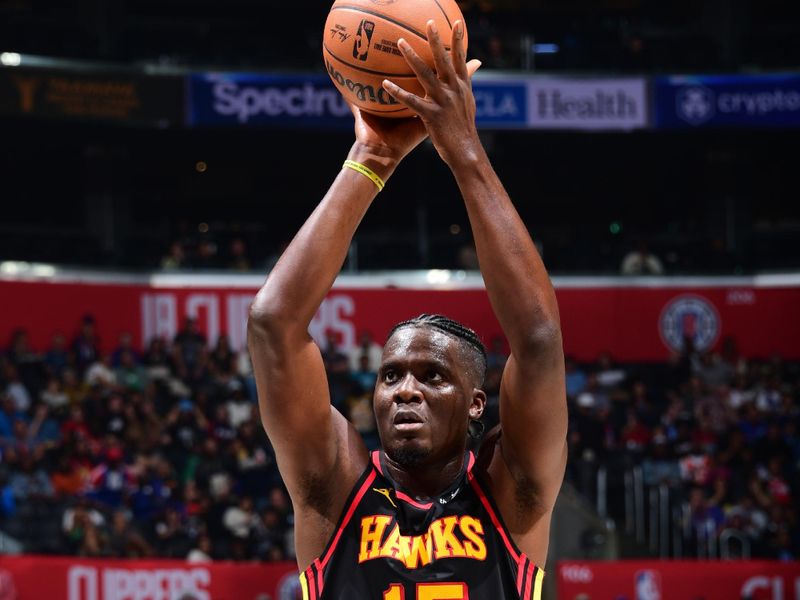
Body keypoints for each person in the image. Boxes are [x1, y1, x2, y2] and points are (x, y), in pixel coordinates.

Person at [247, 20, 566, 599]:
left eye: (432, 375)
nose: (405, 390)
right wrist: (370, 158)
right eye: (391, 374)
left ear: (476, 404)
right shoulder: (333, 485)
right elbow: (273, 323)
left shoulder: (510, 491)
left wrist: (465, 152)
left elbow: (539, 339)